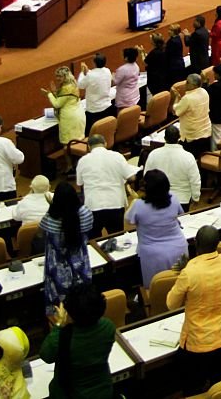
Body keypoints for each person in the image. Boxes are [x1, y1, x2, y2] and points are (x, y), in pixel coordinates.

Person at [167, 225, 221, 395]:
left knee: (192, 388)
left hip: (198, 342)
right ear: (218, 244)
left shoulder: (189, 272)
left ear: (195, 243)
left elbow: (171, 304)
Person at [40, 284, 116, 399]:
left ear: (71, 315)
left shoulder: (64, 337)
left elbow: (46, 355)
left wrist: (60, 323)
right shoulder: (108, 327)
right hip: (103, 390)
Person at [125, 169, 189, 287]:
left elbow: (128, 222)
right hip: (179, 249)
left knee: (157, 289)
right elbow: (180, 213)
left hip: (154, 256)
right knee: (181, 284)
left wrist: (136, 199)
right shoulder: (173, 198)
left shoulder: (139, 205)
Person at [41, 184, 94, 315]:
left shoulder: (51, 218)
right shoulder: (85, 213)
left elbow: (44, 234)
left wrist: (51, 206)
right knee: (83, 306)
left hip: (57, 270)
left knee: (60, 310)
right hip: (80, 265)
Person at [76, 134, 138, 236]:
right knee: (117, 238)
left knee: (94, 240)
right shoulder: (117, 156)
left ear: (88, 146)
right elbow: (131, 177)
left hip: (93, 205)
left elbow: (80, 183)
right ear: (105, 143)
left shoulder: (83, 161)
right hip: (115, 203)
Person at [143, 125, 201, 211]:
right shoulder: (188, 157)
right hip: (182, 199)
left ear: (165, 138)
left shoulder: (153, 154)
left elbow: (146, 176)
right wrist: (196, 198)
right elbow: (195, 181)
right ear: (179, 138)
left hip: (159, 198)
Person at [43, 67, 85, 169]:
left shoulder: (66, 88)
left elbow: (57, 104)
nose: (57, 78)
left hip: (69, 119)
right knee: (78, 140)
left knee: (67, 144)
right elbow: (63, 99)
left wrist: (49, 94)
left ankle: (69, 167)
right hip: (78, 115)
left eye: (60, 76)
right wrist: (54, 92)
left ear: (65, 76)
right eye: (56, 76)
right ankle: (77, 164)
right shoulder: (73, 83)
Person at [172, 73, 213, 156]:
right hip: (205, 131)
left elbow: (176, 111)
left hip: (192, 136)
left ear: (194, 85)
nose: (185, 84)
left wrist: (176, 98)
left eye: (187, 82)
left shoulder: (187, 98)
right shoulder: (204, 91)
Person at [78, 54, 115, 133]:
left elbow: (80, 85)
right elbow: (96, 75)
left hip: (94, 111)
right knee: (106, 131)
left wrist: (82, 72)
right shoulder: (107, 71)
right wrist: (87, 72)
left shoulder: (90, 75)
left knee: (94, 133)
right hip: (107, 107)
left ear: (94, 63)